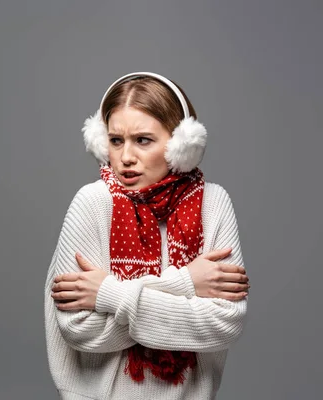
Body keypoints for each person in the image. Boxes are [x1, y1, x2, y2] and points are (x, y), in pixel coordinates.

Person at [44, 72, 249, 400]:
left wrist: (108, 294)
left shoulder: (214, 203)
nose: (125, 157)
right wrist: (185, 284)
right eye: (115, 140)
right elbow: (79, 328)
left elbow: (224, 325)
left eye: (143, 140)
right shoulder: (92, 203)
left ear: (182, 145)